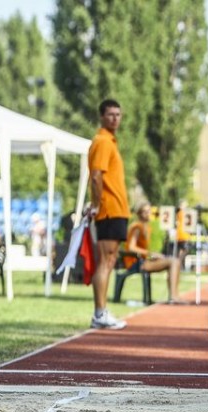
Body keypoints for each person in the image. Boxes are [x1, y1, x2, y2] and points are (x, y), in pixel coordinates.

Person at [86, 99, 130, 330]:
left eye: (118, 114)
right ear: (102, 116)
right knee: (105, 261)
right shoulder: (102, 141)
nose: (115, 118)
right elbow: (96, 176)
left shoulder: (111, 142)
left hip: (117, 210)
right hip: (109, 210)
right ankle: (99, 313)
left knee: (110, 260)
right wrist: (95, 205)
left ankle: (101, 311)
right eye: (111, 114)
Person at [124, 202, 184, 303]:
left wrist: (153, 256)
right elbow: (131, 247)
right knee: (174, 262)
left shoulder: (147, 226)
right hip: (136, 262)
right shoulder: (137, 227)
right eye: (145, 212)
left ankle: (174, 295)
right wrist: (150, 254)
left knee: (174, 261)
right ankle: (173, 296)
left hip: (144, 260)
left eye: (149, 211)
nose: (148, 214)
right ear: (139, 214)